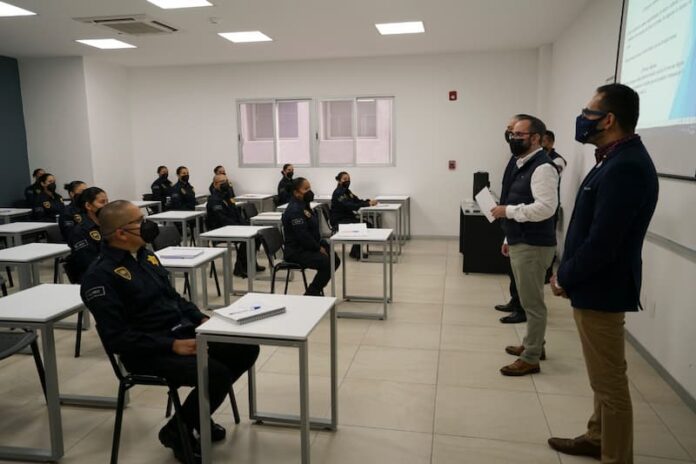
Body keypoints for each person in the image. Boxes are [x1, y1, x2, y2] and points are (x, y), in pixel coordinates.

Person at [80, 200, 259, 463]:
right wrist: (170, 345)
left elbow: (173, 298)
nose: (148, 225)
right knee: (215, 374)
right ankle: (179, 430)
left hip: (181, 333)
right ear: (120, 232)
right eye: (140, 221)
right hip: (147, 351)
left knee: (244, 348)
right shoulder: (100, 277)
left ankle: (191, 417)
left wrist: (200, 318)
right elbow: (117, 338)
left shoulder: (146, 255)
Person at [548, 84, 658, 464]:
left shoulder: (626, 165)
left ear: (608, 119)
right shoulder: (612, 158)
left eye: (588, 111)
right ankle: (598, 437)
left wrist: (565, 276)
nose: (583, 118)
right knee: (602, 377)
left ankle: (615, 455)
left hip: (602, 286)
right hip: (596, 284)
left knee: (609, 383)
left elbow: (603, 243)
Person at [491, 115, 558, 376]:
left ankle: (531, 357)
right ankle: (534, 344)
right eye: (512, 134)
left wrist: (508, 211)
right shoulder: (523, 163)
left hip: (534, 243)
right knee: (529, 299)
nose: (513, 138)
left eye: (520, 134)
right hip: (521, 240)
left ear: (537, 138)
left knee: (532, 303)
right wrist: (509, 237)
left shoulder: (543, 167)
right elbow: (518, 198)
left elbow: (545, 208)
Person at [495, 114, 530, 323]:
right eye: (509, 131)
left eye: (515, 131)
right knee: (512, 269)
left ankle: (521, 308)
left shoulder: (538, 164)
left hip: (524, 229)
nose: (510, 135)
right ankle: (514, 301)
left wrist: (507, 211)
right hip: (512, 224)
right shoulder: (515, 158)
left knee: (523, 275)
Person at [282, 177, 340, 296]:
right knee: (326, 262)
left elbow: (311, 232)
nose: (309, 191)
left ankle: (314, 290)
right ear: (296, 192)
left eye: (310, 188)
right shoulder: (295, 210)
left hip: (307, 247)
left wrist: (321, 244)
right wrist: (317, 248)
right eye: (306, 189)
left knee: (335, 259)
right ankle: (312, 292)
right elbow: (302, 235)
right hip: (296, 251)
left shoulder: (304, 205)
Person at [207, 174, 264, 278]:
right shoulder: (214, 200)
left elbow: (237, 214)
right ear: (215, 185)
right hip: (220, 230)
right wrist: (240, 227)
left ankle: (251, 263)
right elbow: (222, 219)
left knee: (257, 235)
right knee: (245, 239)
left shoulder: (228, 196)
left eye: (226, 181)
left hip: (233, 226)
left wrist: (244, 224)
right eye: (222, 182)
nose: (225, 184)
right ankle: (239, 268)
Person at [65, 187, 108, 283]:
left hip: (110, 272)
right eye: (102, 202)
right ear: (88, 205)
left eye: (107, 202)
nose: (106, 206)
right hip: (94, 279)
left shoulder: (107, 225)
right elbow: (89, 263)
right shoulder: (80, 232)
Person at [330, 171, 377, 259]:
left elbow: (357, 201)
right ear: (339, 181)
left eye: (349, 179)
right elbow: (351, 206)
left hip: (347, 217)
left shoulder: (347, 191)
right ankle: (356, 252)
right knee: (366, 225)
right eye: (345, 179)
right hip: (340, 220)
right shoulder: (338, 193)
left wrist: (368, 202)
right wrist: (367, 204)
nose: (347, 181)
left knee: (367, 225)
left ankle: (355, 251)